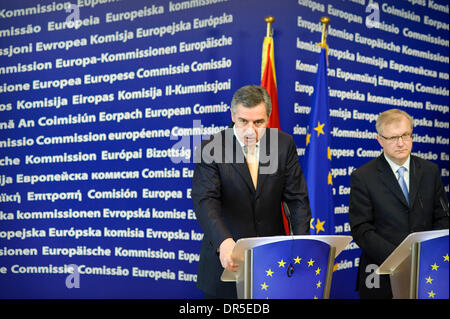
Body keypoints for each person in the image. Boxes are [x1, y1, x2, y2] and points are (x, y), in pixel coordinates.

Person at [191, 85, 311, 298]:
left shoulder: (283, 144)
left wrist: (300, 243)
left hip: (273, 260)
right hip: (226, 262)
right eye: (243, 121)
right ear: (232, 115)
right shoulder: (211, 148)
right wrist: (224, 242)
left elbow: (297, 199)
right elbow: (205, 201)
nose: (250, 131)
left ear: (269, 118)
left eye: (259, 122)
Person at [349, 108, 449, 299]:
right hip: (381, 273)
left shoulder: (430, 171)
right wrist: (401, 260)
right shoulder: (363, 177)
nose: (401, 143)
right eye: (393, 138)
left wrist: (427, 255)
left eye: (405, 135)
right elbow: (361, 229)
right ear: (380, 140)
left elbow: (442, 217)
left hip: (428, 269)